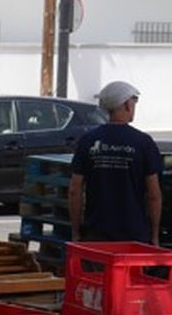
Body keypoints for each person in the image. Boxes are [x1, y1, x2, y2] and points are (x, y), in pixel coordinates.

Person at [67, 81, 163, 245]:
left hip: (96, 233)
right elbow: (153, 195)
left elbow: (74, 191)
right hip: (134, 236)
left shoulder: (88, 141)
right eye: (134, 101)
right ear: (127, 104)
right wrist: (154, 236)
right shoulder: (143, 143)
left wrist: (76, 232)